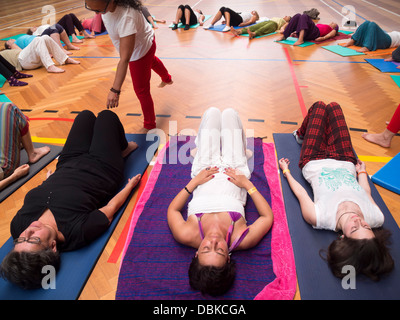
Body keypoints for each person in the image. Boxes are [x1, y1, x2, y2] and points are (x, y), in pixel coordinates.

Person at [0, 109, 140, 289]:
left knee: (86, 116)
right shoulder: (78, 231)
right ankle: (123, 148)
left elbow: (36, 198)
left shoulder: (17, 226)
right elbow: (111, 208)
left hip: (67, 163)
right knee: (107, 117)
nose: (27, 233)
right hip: (103, 167)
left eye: (19, 240)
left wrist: (47, 182)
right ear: (52, 247)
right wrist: (129, 186)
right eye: (34, 239)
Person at [279, 101, 394, 281]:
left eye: (355, 228)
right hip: (345, 158)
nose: (359, 221)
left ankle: (301, 136)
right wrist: (362, 172)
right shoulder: (376, 218)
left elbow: (301, 193)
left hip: (313, 159)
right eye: (365, 226)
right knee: (333, 107)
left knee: (318, 107)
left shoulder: (320, 217)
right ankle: (303, 134)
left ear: (342, 238)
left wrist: (286, 171)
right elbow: (366, 193)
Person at [167, 107, 274, 296]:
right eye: (220, 251)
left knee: (213, 113)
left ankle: (199, 151)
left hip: (204, 167)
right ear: (229, 259)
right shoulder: (241, 239)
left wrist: (194, 182)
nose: (214, 241)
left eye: (207, 248)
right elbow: (267, 216)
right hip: (236, 169)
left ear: (197, 254)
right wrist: (247, 184)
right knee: (230, 114)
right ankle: (241, 152)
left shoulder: (186, 234)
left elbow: (173, 211)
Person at [85, 0, 173, 130]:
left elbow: (125, 58)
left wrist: (115, 90)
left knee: (142, 91)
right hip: (147, 42)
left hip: (140, 52)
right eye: (91, 9)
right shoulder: (109, 6)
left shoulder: (127, 17)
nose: (96, 13)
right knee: (152, 61)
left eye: (98, 11)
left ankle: (150, 125)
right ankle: (167, 78)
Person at [0, 102, 50, 191]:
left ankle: (17, 143)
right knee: (10, 108)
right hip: (4, 168)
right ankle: (32, 153)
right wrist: (15, 176)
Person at [3, 35, 80, 73]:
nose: (9, 40)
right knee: (37, 39)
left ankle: (65, 59)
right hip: (22, 61)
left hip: (30, 59)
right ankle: (50, 66)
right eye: (8, 41)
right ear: (8, 47)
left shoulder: (16, 46)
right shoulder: (4, 52)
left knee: (45, 37)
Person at [29, 13, 95, 43]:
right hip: (54, 33)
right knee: (66, 16)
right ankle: (73, 37)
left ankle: (85, 33)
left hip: (57, 29)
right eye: (32, 28)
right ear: (31, 32)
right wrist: (33, 31)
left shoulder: (40, 27)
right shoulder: (35, 33)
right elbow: (38, 38)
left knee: (71, 15)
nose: (34, 27)